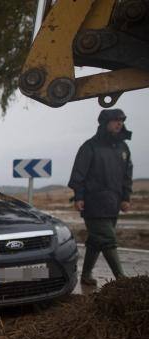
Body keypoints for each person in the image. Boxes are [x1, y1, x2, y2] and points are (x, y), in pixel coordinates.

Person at [68, 108, 133, 286]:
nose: (119, 123)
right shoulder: (90, 147)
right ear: (105, 123)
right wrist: (79, 196)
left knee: (97, 241)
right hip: (93, 202)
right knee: (108, 240)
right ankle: (122, 281)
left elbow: (127, 175)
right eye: (115, 120)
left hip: (113, 203)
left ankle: (86, 275)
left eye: (122, 120)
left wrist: (125, 197)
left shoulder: (123, 148)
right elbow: (78, 175)